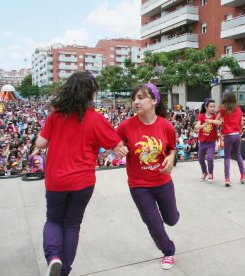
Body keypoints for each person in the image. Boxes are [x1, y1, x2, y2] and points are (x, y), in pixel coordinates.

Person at [35, 71, 128, 276]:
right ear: (91, 93)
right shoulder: (96, 119)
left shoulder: (56, 116)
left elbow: (40, 143)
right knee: (72, 225)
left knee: (53, 221)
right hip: (83, 182)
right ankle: (65, 270)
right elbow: (117, 145)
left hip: (57, 180)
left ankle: (53, 257)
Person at [116, 83, 179, 270]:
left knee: (171, 220)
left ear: (153, 101)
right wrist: (118, 148)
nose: (136, 102)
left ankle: (172, 216)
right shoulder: (125, 126)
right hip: (139, 186)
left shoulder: (166, 126)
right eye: (134, 98)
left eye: (141, 98)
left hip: (163, 182)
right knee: (154, 225)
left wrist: (171, 157)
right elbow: (116, 143)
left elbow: (172, 149)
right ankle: (168, 251)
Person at [208, 91, 245, 187]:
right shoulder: (238, 109)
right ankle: (243, 175)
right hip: (237, 135)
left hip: (228, 136)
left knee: (227, 157)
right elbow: (241, 123)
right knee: (238, 154)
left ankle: (227, 179)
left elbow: (217, 120)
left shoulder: (223, 109)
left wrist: (211, 120)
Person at [194, 98, 218, 182]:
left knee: (210, 158)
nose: (212, 108)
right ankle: (205, 172)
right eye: (211, 106)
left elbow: (220, 122)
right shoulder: (201, 116)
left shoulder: (215, 116)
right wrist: (204, 125)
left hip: (211, 142)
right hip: (202, 142)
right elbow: (196, 127)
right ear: (206, 107)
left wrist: (211, 121)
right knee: (200, 159)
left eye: (213, 106)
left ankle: (210, 174)